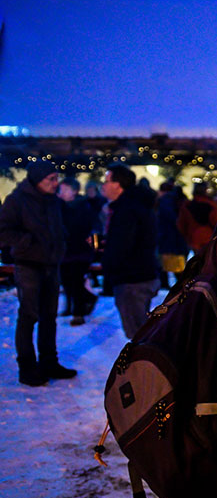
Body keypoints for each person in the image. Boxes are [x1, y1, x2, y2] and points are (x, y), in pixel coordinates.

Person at [0, 161, 77, 386]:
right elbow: (2, 231)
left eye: (56, 178)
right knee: (29, 315)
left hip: (51, 264)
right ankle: (27, 366)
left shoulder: (53, 201)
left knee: (49, 317)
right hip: (29, 265)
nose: (56, 183)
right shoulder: (17, 201)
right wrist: (26, 242)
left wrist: (62, 242)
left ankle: (49, 362)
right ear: (37, 180)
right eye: (50, 179)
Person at [101, 164, 159, 339]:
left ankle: (146, 365)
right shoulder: (134, 206)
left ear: (118, 185)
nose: (103, 186)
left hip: (132, 279)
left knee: (139, 335)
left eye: (107, 181)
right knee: (141, 331)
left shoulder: (127, 210)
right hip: (141, 275)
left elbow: (123, 245)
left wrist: (109, 263)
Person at [57, 178, 98, 325]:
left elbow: (80, 228)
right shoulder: (60, 206)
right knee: (66, 281)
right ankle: (70, 306)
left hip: (78, 251)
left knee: (76, 282)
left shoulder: (82, 206)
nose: (61, 193)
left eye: (65, 189)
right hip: (64, 251)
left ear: (74, 191)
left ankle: (78, 312)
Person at [155, 181, 189, 288]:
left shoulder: (164, 202)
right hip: (178, 238)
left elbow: (166, 220)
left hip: (167, 237)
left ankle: (169, 284)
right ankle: (179, 284)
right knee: (177, 264)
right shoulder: (179, 200)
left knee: (165, 263)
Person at [177, 182, 217, 253]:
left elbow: (181, 225)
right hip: (209, 239)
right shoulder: (213, 206)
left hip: (193, 239)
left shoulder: (187, 206)